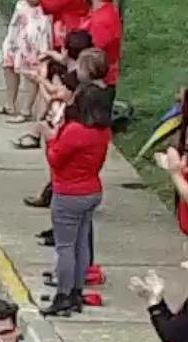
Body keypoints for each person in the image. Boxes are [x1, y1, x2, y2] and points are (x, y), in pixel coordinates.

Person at [42, 84, 113, 317]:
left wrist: (50, 138)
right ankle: (76, 291)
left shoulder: (75, 131)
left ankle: (62, 295)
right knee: (81, 244)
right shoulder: (103, 132)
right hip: (92, 190)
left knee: (65, 248)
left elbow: (56, 159)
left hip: (68, 194)